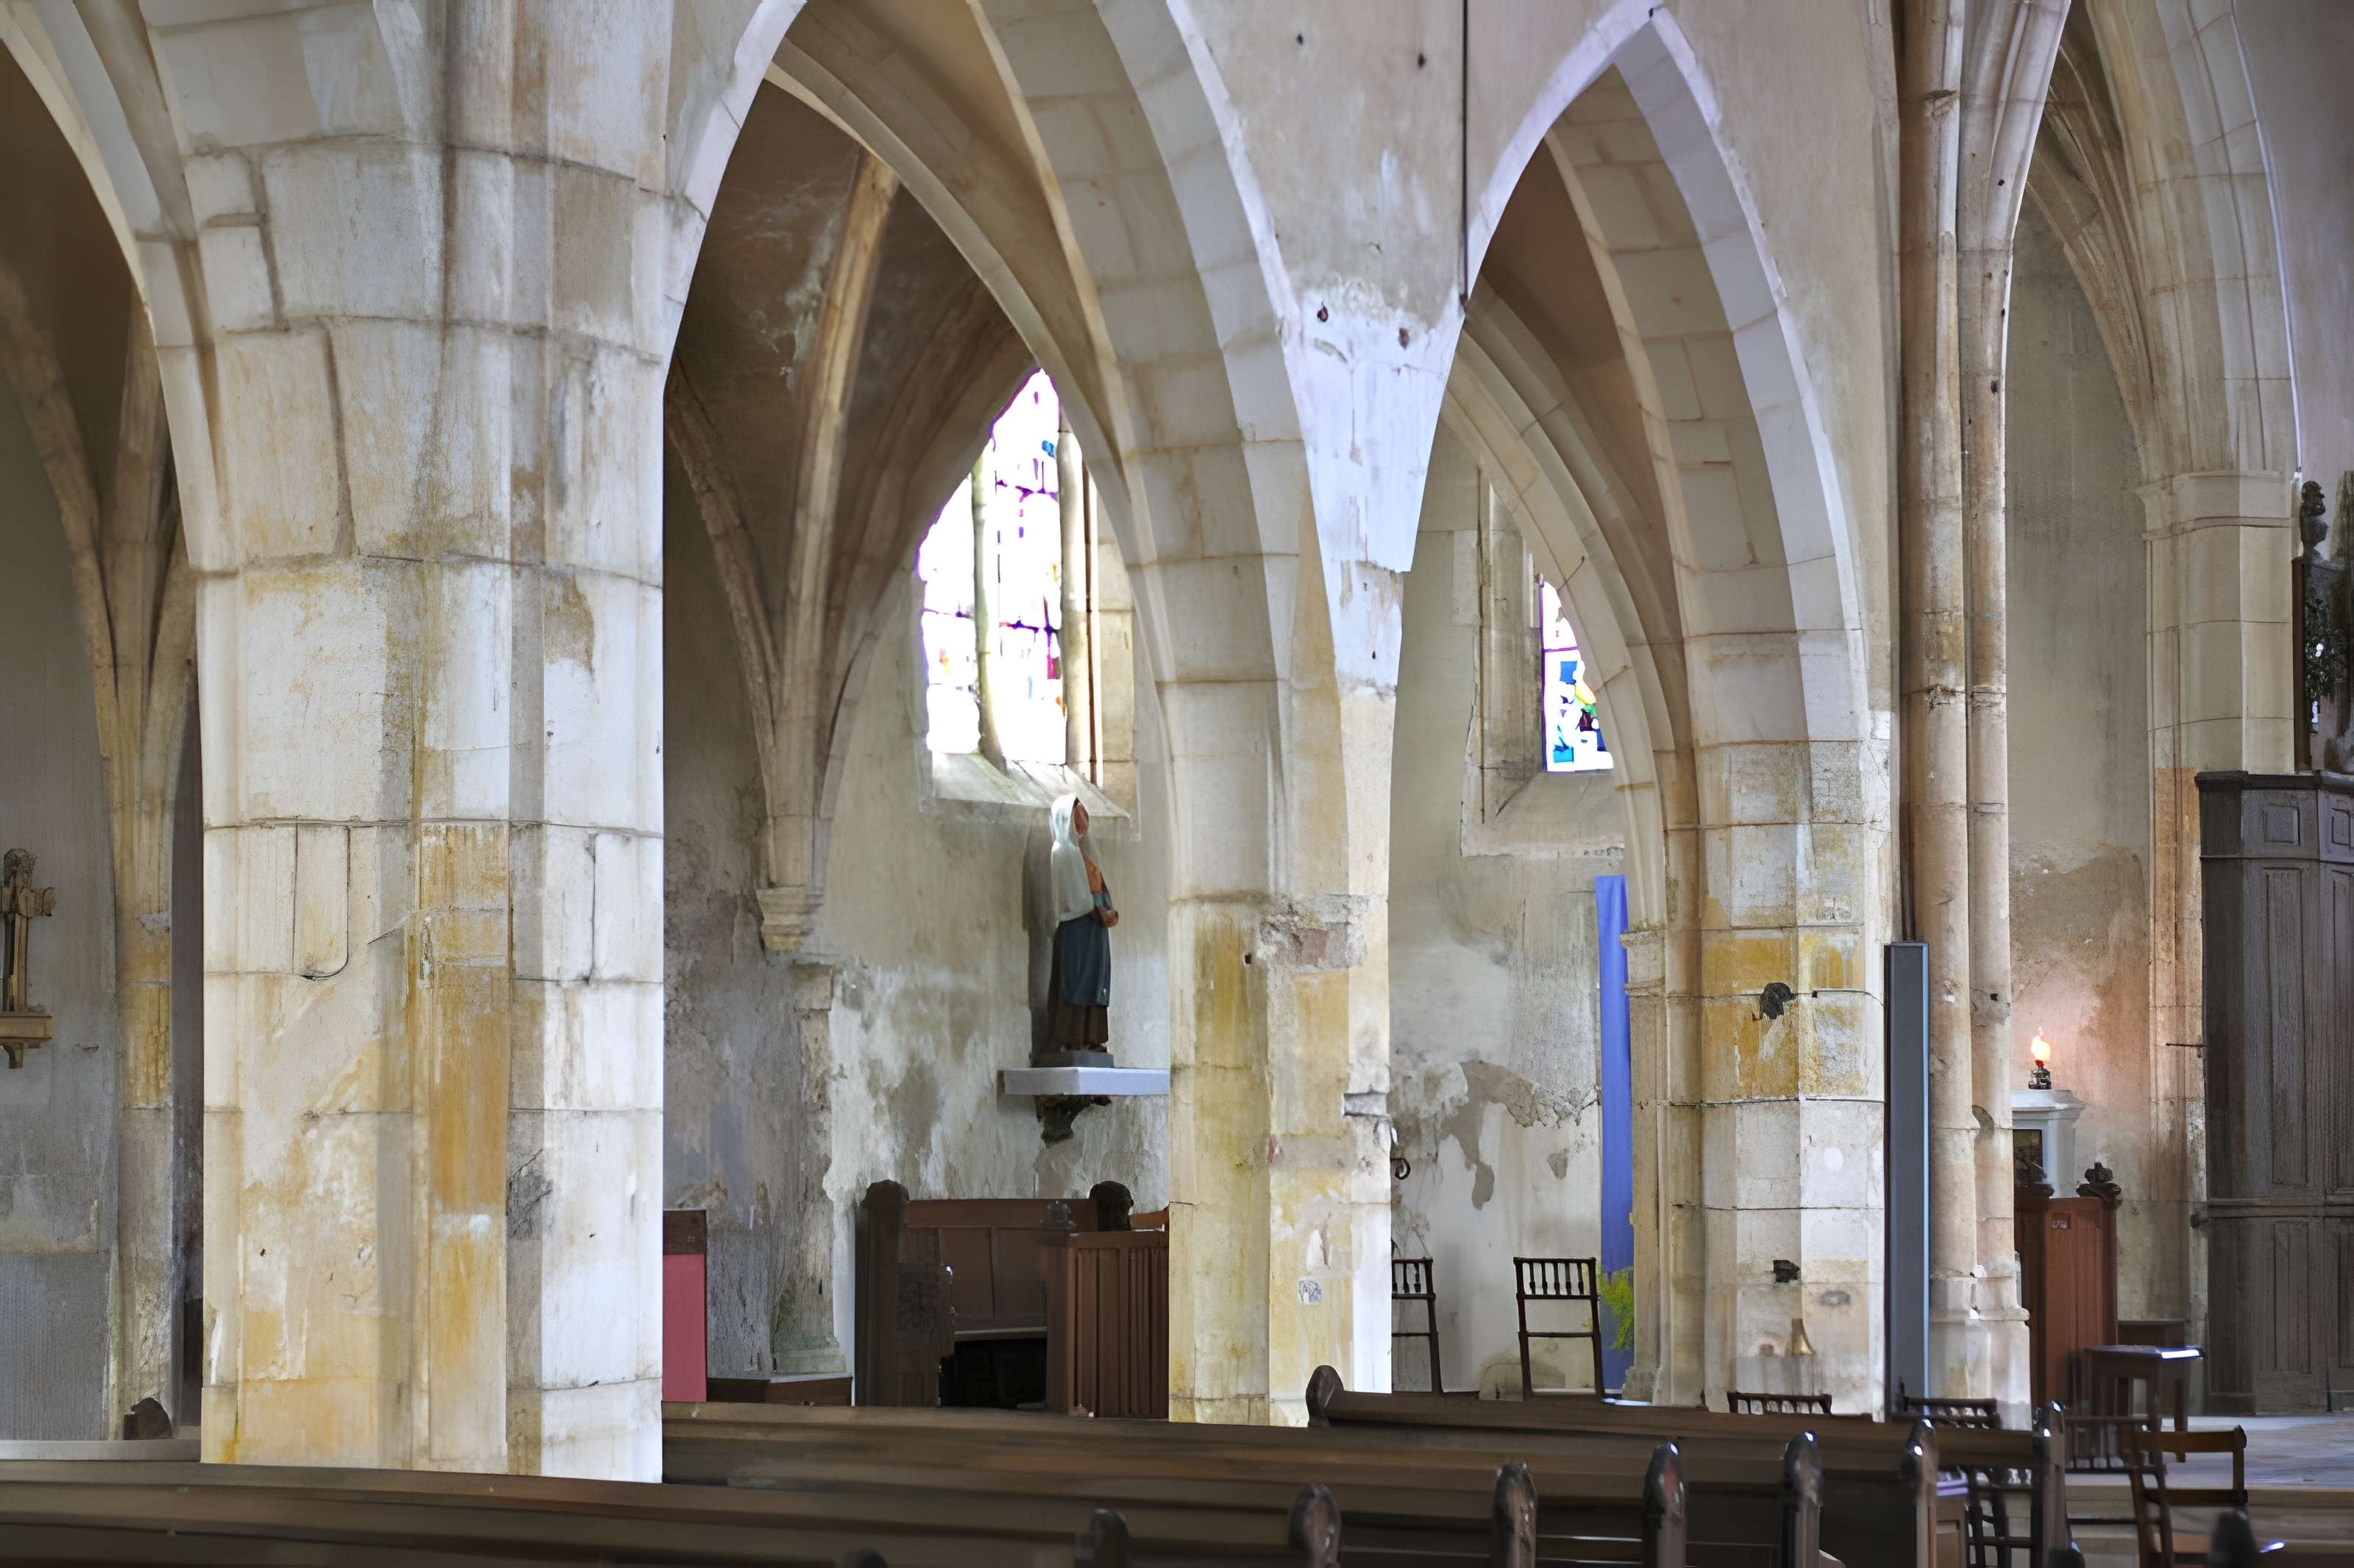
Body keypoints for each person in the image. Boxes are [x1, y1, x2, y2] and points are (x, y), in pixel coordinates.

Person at [1047, 794, 1117, 1051]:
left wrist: (1105, 909)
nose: (1084, 818)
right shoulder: (1062, 852)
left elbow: (1098, 885)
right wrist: (1094, 908)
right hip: (1076, 926)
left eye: (1085, 812)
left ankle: (1092, 1037)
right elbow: (1070, 894)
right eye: (1079, 812)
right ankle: (1073, 1037)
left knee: (1096, 982)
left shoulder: (1084, 853)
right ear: (1067, 817)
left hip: (1094, 927)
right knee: (1076, 981)